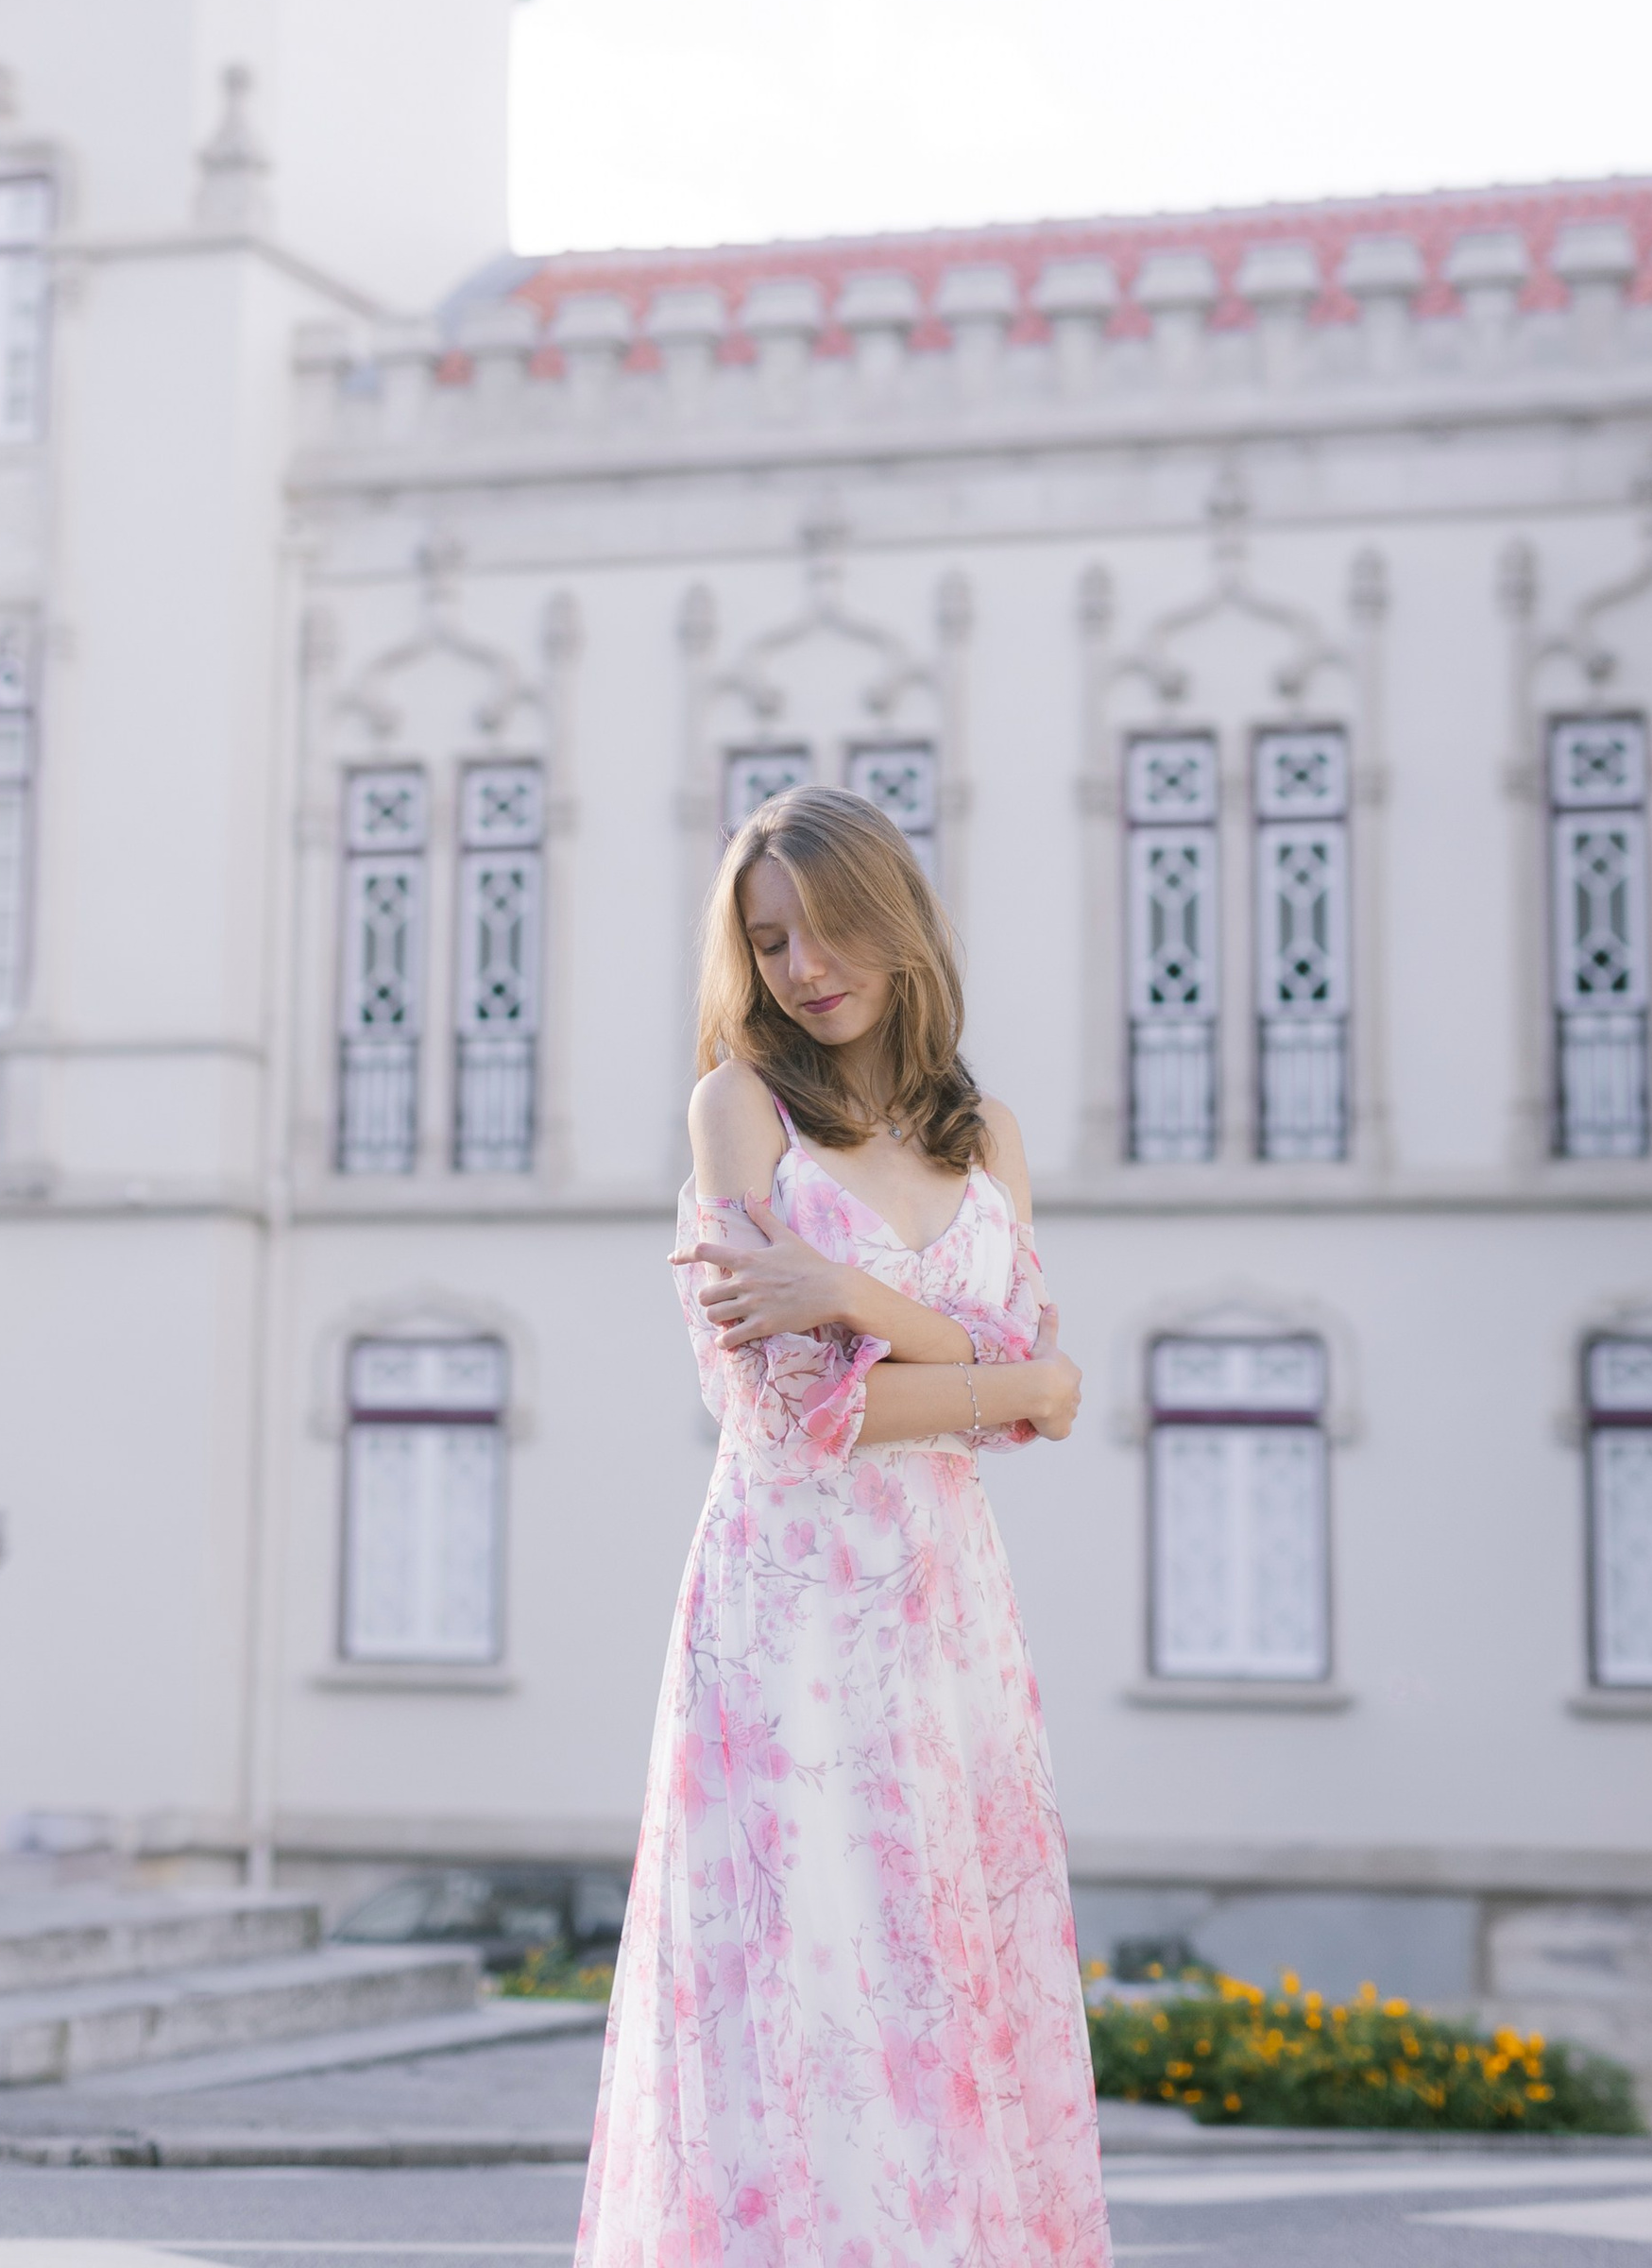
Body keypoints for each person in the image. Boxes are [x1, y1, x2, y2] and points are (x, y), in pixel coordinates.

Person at [574, 782, 1114, 2268]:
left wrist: (860, 1301)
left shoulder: (985, 1133)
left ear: (898, 923)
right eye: (769, 942)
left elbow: (1052, 1395)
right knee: (799, 1984)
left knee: (952, 1978)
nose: (805, 968)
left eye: (828, 931)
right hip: (789, 1614)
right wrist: (982, 1370)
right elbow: (800, 1413)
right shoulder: (738, 1109)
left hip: (947, 1616)